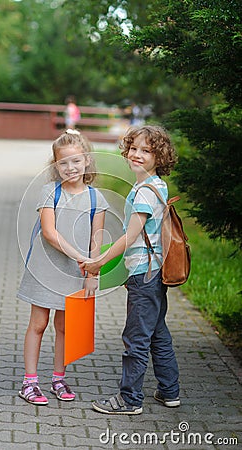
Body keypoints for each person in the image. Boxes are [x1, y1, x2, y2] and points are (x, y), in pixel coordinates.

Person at [79, 125, 180, 415]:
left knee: (136, 338)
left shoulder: (146, 192)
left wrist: (98, 262)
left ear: (159, 157)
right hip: (154, 272)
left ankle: (130, 400)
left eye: (146, 151)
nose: (137, 155)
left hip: (144, 274)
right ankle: (169, 391)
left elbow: (129, 237)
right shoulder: (155, 184)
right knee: (157, 332)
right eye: (133, 148)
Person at [17, 129, 109, 405]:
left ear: (87, 161)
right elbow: (49, 232)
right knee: (39, 323)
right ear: (55, 165)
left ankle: (59, 377)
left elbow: (97, 239)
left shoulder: (96, 199)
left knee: (65, 326)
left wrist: (93, 272)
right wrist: (78, 256)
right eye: (63, 163)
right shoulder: (50, 192)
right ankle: (30, 382)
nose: (70, 168)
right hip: (45, 269)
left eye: (76, 161)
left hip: (75, 273)